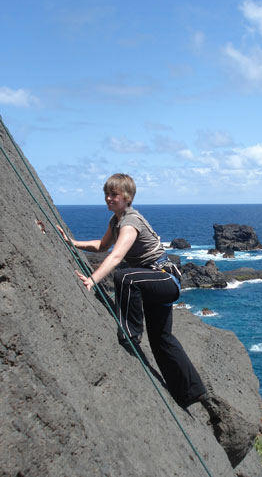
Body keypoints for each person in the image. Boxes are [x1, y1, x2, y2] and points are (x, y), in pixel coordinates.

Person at [58, 173, 207, 408]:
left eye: (114, 194)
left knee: (125, 277)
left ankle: (130, 333)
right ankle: (192, 392)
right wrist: (72, 242)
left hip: (164, 278)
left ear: (127, 197)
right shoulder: (116, 222)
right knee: (161, 339)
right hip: (153, 281)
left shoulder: (130, 221)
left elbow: (116, 256)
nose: (108, 198)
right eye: (106, 194)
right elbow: (102, 246)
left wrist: (92, 280)